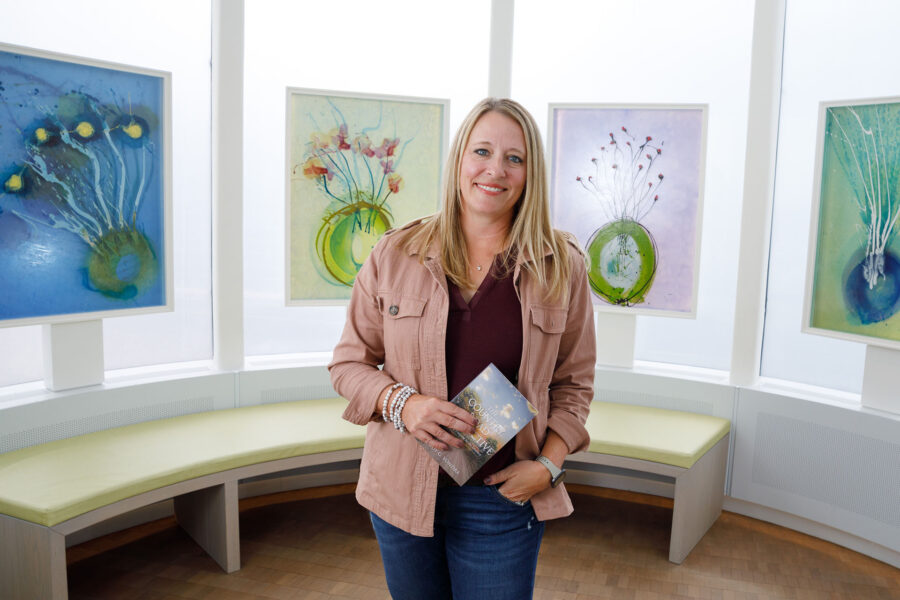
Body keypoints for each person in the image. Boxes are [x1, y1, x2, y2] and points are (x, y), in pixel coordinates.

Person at [329, 97, 595, 599]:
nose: (496, 170)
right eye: (483, 151)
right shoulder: (395, 253)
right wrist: (404, 404)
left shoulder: (562, 266)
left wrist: (550, 465)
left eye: (514, 158)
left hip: (502, 497)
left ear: (530, 173)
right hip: (402, 490)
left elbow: (575, 383)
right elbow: (348, 363)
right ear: (459, 161)